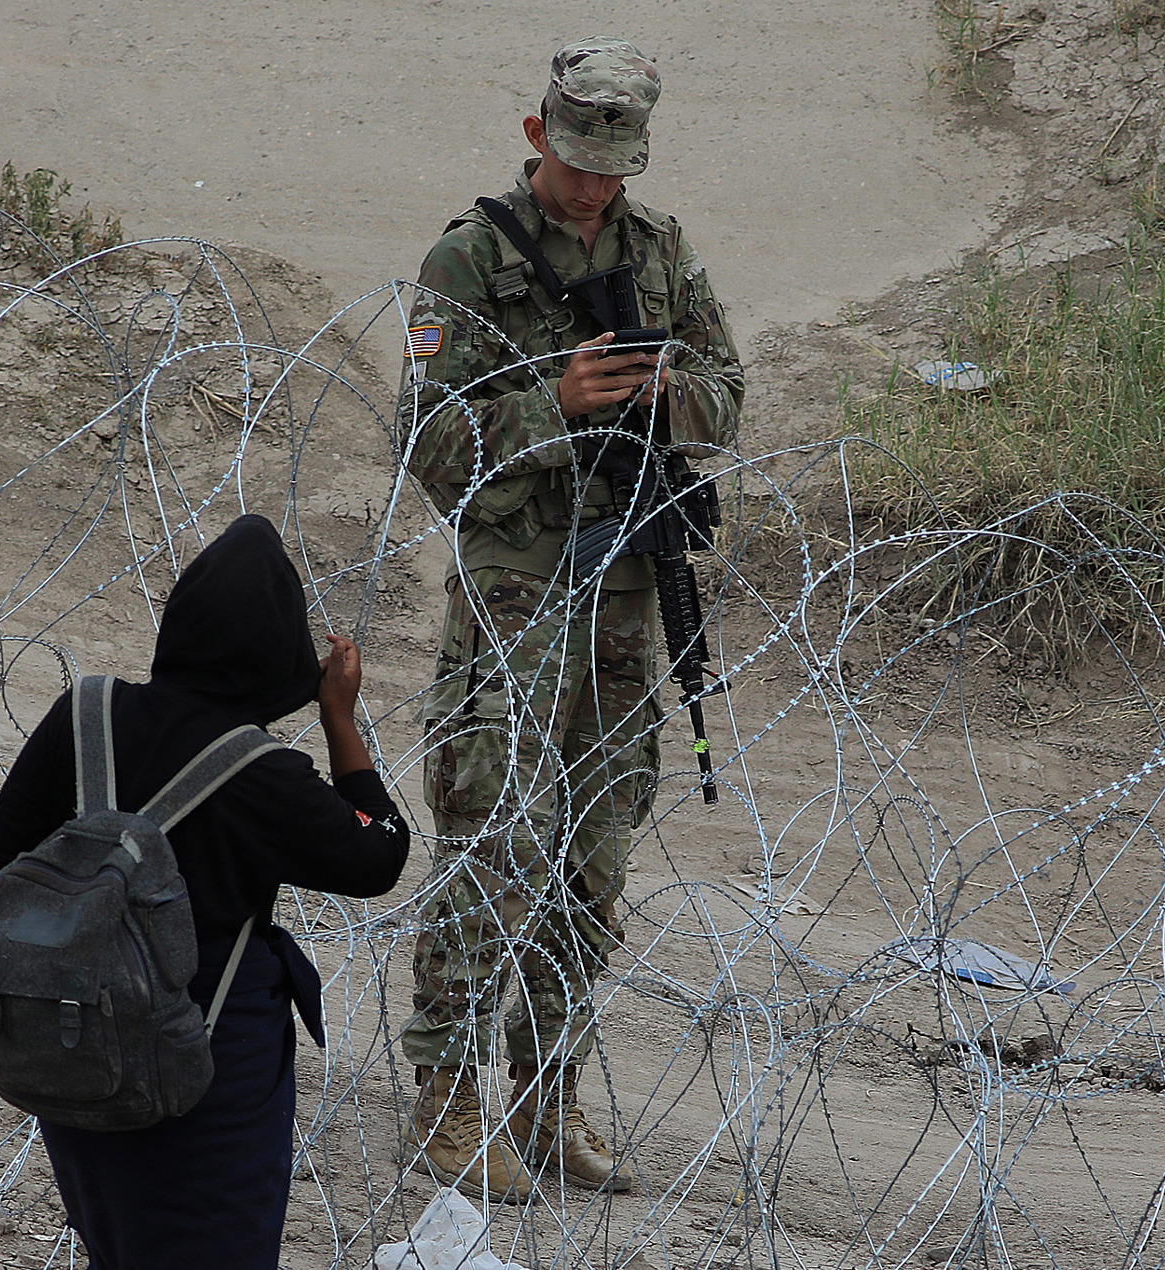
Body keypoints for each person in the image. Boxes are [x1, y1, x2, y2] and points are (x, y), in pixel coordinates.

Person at [399, 36, 743, 1202]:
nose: (595, 187)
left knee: (594, 851)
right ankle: (449, 1098)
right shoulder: (470, 257)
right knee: (495, 834)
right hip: (519, 579)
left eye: (617, 167)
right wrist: (556, 402)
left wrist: (662, 392)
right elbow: (424, 440)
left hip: (627, 579)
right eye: (579, 161)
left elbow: (728, 393)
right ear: (538, 135)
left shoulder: (661, 252)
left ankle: (547, 1093)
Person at [0, 514, 410, 1269]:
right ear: (278, 651)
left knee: (120, 1242)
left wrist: (100, 905)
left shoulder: (87, 714)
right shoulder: (265, 775)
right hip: (206, 1051)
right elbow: (380, 851)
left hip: (77, 1031)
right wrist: (338, 718)